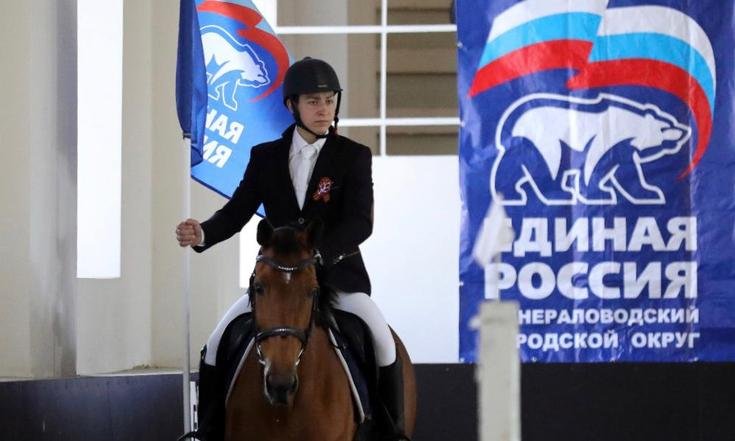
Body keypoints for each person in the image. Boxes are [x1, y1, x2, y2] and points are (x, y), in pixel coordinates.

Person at [176, 57, 410, 441]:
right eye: (314, 102)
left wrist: (320, 254)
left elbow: (359, 222)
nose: (324, 110)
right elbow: (237, 210)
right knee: (216, 342)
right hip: (277, 281)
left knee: (381, 338)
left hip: (337, 278)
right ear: (292, 105)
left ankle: (392, 432)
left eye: (330, 101)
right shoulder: (265, 156)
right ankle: (209, 431)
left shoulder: (353, 156)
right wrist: (203, 232)